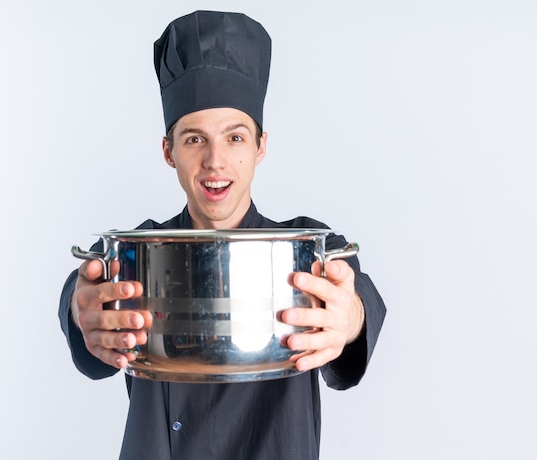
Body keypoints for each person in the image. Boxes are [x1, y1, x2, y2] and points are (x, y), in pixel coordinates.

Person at [59, 10, 386, 460]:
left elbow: (355, 289)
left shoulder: (304, 248)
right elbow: (83, 289)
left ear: (260, 147)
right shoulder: (141, 250)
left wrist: (351, 318)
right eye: (195, 139)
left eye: (234, 138)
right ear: (169, 151)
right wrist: (82, 313)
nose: (215, 161)